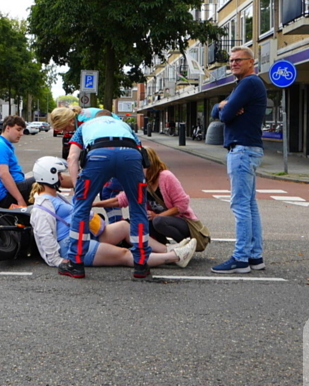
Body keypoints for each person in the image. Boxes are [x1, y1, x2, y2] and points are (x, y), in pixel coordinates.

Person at [29, 157, 195, 274]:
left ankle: (170, 248)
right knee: (124, 254)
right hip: (71, 245)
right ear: (49, 175)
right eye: (58, 174)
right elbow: (43, 235)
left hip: (86, 234)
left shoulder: (56, 197)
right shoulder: (42, 205)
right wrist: (56, 261)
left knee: (125, 227)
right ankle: (175, 257)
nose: (61, 177)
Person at [63, 109, 152, 279]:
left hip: (99, 154)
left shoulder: (85, 126)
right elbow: (143, 155)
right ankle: (141, 264)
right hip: (130, 155)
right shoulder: (125, 125)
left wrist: (77, 187)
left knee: (81, 208)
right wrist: (141, 186)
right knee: (138, 209)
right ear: (112, 118)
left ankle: (75, 263)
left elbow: (72, 158)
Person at [211, 46, 266, 274]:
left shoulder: (248, 84)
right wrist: (224, 106)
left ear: (251, 62)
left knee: (240, 205)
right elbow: (220, 111)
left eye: (238, 60)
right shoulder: (245, 85)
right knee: (250, 204)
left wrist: (226, 108)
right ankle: (255, 256)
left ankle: (241, 258)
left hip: (242, 149)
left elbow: (223, 115)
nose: (233, 64)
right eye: (231, 61)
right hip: (248, 148)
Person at [95, 146, 209, 253]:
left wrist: (158, 215)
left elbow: (182, 205)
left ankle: (185, 248)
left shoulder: (165, 176)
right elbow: (120, 200)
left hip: (182, 223)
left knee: (157, 220)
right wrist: (92, 204)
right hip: (158, 221)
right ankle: (164, 247)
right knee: (140, 220)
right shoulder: (141, 180)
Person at [0, 115, 35, 208]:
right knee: (46, 180)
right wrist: (20, 200)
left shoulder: (4, 145)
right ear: (8, 128)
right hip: (5, 194)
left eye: (22, 130)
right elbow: (4, 175)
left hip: (11, 190)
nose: (21, 133)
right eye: (18, 129)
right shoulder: (0, 146)